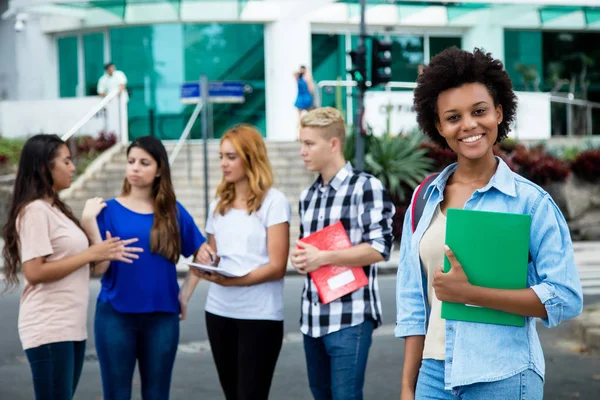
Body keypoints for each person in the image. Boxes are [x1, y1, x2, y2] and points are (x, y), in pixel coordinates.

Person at [395, 47, 584, 400]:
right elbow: (412, 305)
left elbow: (566, 297)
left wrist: (471, 295)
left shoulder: (531, 203)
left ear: (498, 113)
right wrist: (408, 387)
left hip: (504, 376)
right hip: (433, 377)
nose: (468, 125)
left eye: (479, 111)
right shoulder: (424, 198)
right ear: (438, 126)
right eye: (453, 117)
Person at [1, 134, 141, 400]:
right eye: (66, 161)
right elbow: (34, 272)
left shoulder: (55, 209)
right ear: (45, 168)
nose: (73, 167)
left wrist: (101, 244)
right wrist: (91, 252)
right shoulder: (34, 212)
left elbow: (93, 268)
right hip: (49, 327)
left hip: (71, 327)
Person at [82, 136, 214, 399]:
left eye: (144, 163)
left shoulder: (172, 212)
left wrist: (184, 295)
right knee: (117, 394)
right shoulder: (106, 210)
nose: (135, 168)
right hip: (115, 317)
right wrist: (89, 223)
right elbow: (99, 269)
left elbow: (205, 255)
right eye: (131, 162)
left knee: (157, 394)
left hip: (162, 318)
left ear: (159, 169)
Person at [290, 107, 395, 400]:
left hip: (350, 316)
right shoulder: (307, 197)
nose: (302, 151)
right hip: (312, 317)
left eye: (309, 143)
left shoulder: (366, 187)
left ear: (333, 143)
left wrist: (322, 258)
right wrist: (299, 259)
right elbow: (307, 250)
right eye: (301, 143)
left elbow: (379, 248)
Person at [193, 124, 291, 400]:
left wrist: (234, 281)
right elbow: (214, 254)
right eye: (222, 156)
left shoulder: (274, 202)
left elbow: (277, 266)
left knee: (251, 395)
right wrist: (205, 260)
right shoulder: (218, 202)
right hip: (219, 311)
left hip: (259, 315)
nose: (223, 163)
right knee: (232, 395)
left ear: (251, 157)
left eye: (231, 157)